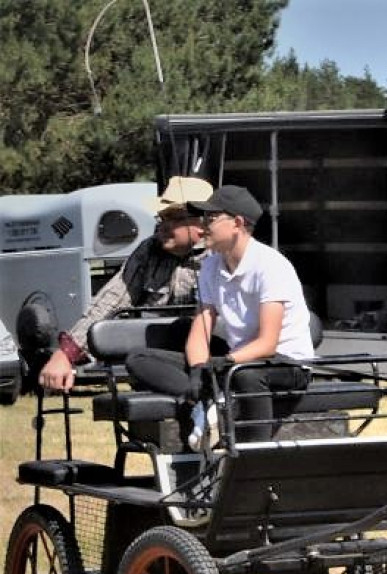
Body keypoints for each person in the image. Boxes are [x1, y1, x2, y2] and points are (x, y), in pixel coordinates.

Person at [126, 185, 313, 443]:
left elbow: (268, 344)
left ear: (237, 223)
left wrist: (223, 364)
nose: (203, 225)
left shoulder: (270, 266)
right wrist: (198, 370)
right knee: (138, 359)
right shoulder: (211, 266)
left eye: (211, 218)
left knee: (246, 375)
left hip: (285, 364)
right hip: (239, 360)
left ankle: (252, 456)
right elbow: (201, 329)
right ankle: (206, 401)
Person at [37, 176, 213, 392]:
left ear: (203, 222)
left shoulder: (220, 256)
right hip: (154, 363)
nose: (163, 226)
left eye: (174, 218)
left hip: (210, 360)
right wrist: (66, 353)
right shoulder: (148, 251)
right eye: (161, 217)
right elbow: (111, 300)